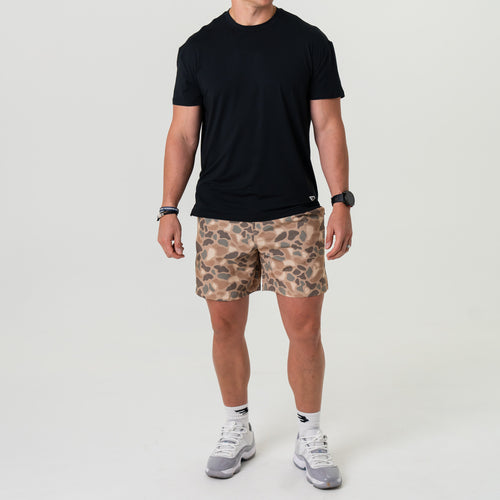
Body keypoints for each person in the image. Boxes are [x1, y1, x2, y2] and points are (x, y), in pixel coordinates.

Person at [157, 0, 353, 490]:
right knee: (225, 328)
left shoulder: (309, 42)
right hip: (221, 216)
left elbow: (328, 124)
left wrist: (341, 200)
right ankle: (236, 426)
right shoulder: (198, 49)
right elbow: (183, 135)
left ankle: (309, 433)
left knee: (305, 329)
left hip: (294, 213)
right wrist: (168, 209)